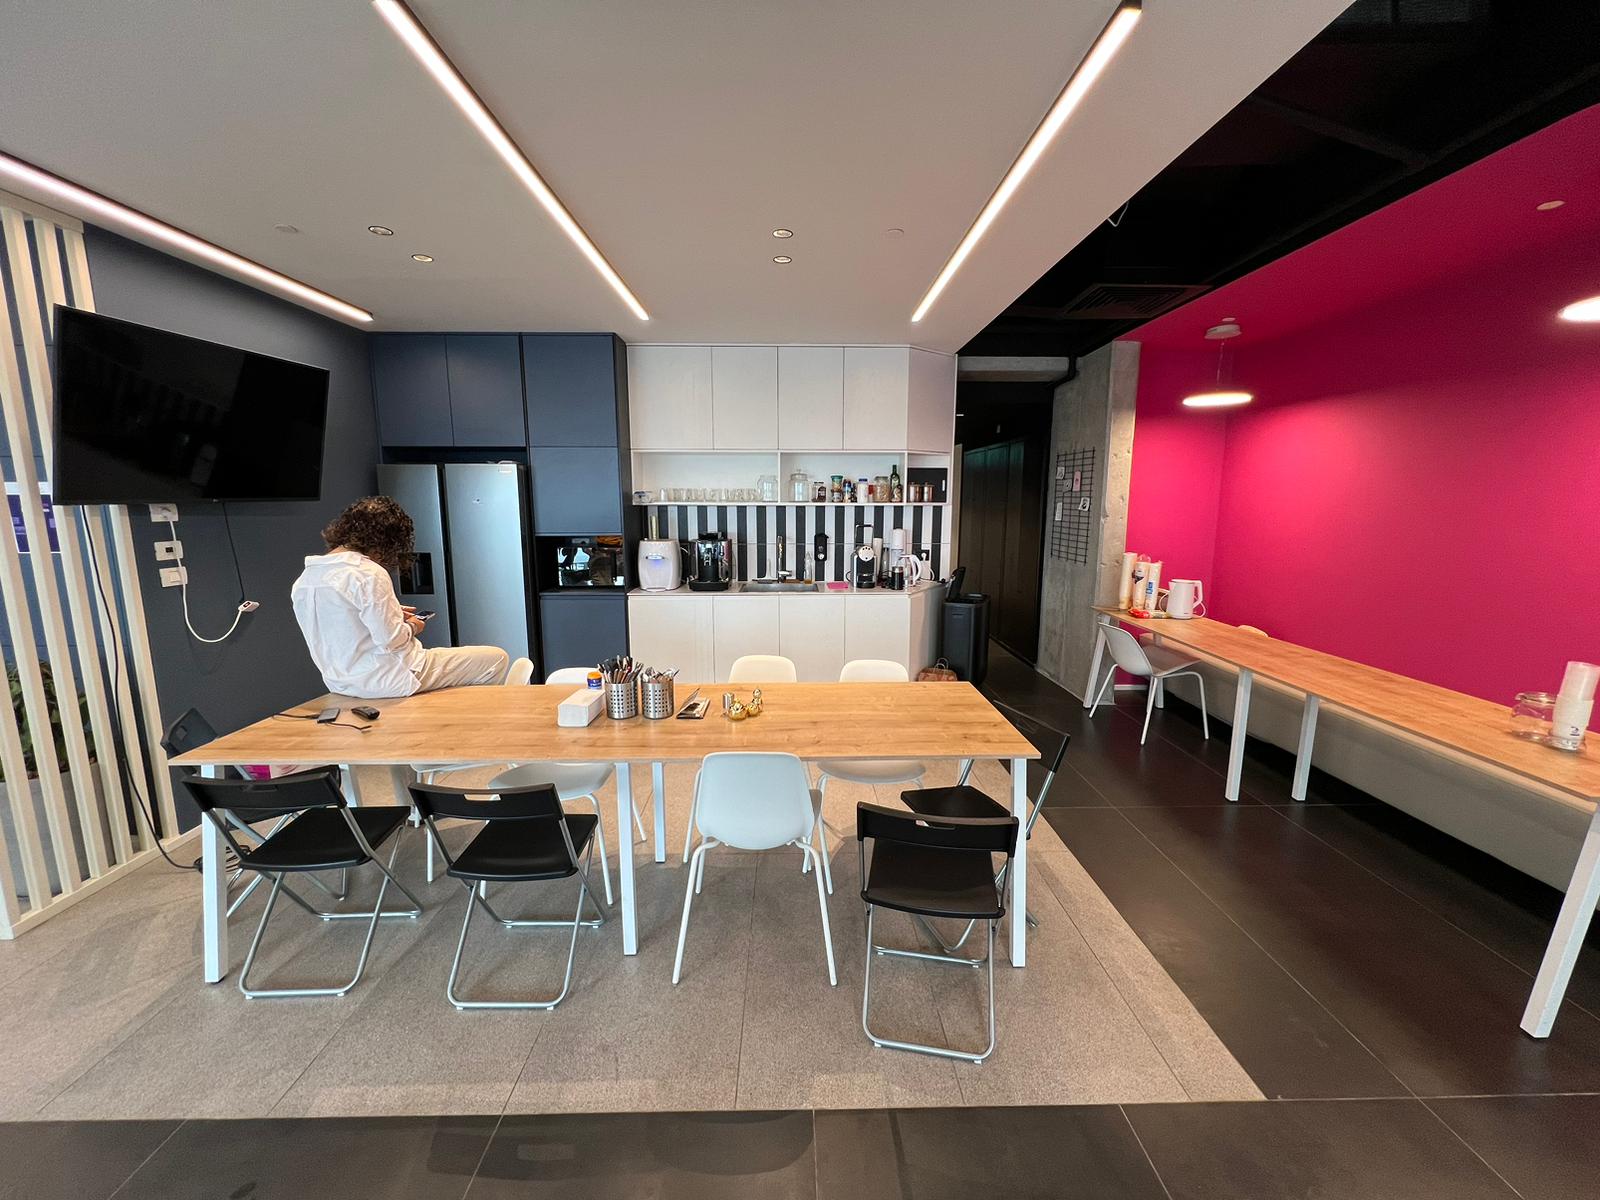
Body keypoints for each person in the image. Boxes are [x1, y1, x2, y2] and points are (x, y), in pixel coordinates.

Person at [291, 495, 508, 698]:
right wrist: (414, 626)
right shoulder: (368, 572)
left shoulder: (304, 580)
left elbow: (345, 626)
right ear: (386, 540)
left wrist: (391, 612)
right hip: (394, 677)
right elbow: (391, 640)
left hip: (342, 685)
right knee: (496, 658)